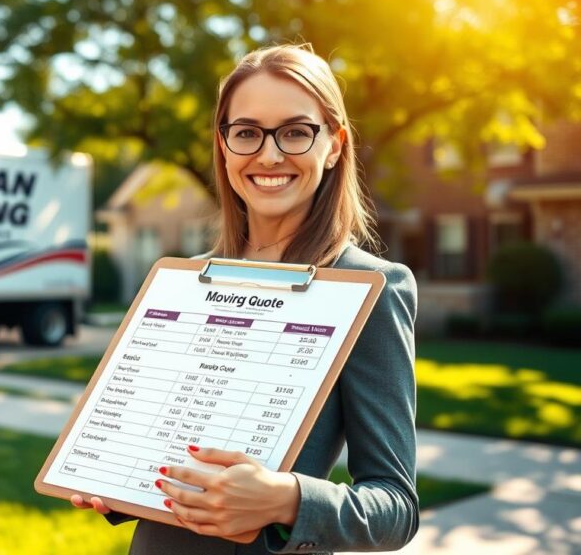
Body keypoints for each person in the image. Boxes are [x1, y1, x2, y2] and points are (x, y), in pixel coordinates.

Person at [71, 43, 419, 554]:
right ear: (224, 144)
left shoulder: (369, 287)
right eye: (247, 132)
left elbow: (395, 509)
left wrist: (288, 499)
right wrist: (113, 469)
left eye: (296, 132)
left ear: (336, 145)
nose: (269, 154)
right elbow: (165, 443)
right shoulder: (183, 282)